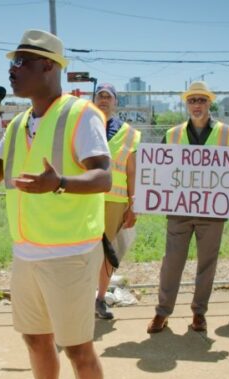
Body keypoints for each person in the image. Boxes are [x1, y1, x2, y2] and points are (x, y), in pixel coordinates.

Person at [0, 29, 113, 379]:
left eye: (22, 62)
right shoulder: (17, 124)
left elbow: (104, 177)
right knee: (36, 340)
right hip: (26, 253)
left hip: (69, 254)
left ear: (49, 67)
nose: (12, 70)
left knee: (77, 349)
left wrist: (61, 184)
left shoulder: (81, 115)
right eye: (12, 63)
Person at [147, 81, 229, 335]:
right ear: (187, 104)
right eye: (192, 100)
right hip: (179, 210)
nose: (197, 105)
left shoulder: (228, 133)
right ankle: (162, 312)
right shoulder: (171, 134)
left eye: (201, 100)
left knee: (207, 263)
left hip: (212, 212)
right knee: (172, 262)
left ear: (209, 103)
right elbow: (157, 169)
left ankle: (199, 313)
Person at [93, 83, 140, 320]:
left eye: (108, 97)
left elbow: (132, 172)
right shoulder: (83, 127)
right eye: (99, 96)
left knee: (108, 253)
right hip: (85, 200)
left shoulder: (130, 134)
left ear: (115, 103)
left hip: (115, 201)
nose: (103, 100)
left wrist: (133, 205)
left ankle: (100, 299)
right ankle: (79, 299)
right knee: (82, 252)